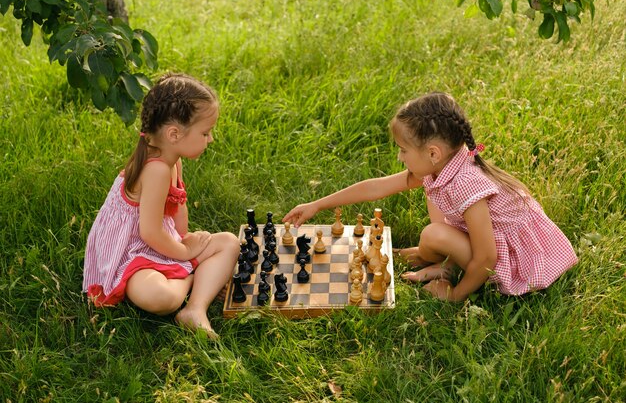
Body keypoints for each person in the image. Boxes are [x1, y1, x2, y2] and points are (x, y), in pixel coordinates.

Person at [282, 92, 577, 301]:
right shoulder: (442, 166)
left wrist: (455, 296)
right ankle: (442, 263)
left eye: (403, 149)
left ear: (433, 152)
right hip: (488, 241)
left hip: (513, 258)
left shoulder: (466, 183)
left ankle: (444, 269)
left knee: (434, 234)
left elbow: (488, 256)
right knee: (432, 204)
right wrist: (316, 205)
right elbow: (376, 187)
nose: (399, 157)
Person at [83, 73, 239, 337]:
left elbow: (177, 215)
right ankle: (193, 277)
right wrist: (186, 253)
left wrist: (184, 241)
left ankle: (194, 309)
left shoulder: (172, 160)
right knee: (161, 297)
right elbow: (149, 233)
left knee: (229, 242)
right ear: (174, 134)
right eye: (205, 132)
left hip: (161, 244)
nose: (210, 139)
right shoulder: (155, 169)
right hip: (131, 253)